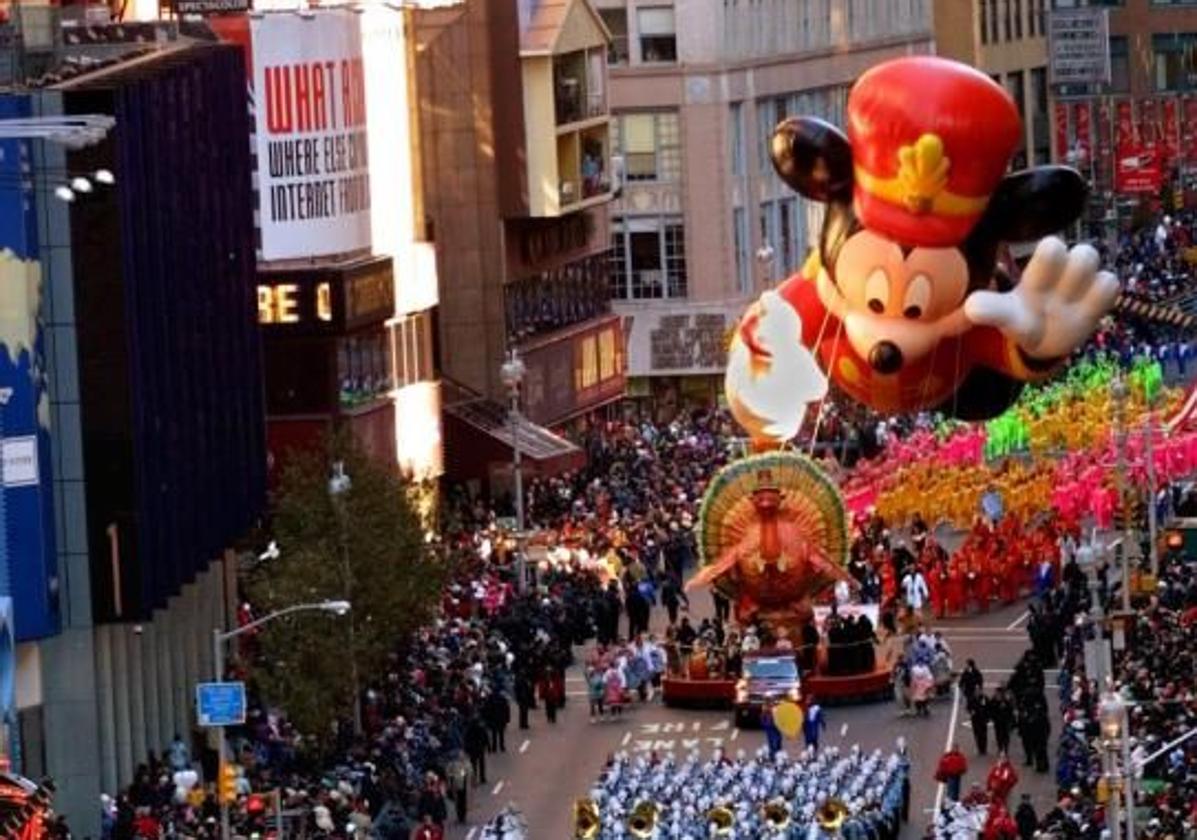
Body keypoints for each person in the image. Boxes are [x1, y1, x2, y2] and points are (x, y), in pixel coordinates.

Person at [444, 750, 470, 824]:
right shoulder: (454, 763)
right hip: (456, 785)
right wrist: (451, 777)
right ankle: (460, 816)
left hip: (463, 784)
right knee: (458, 801)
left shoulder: (465, 763)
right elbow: (448, 771)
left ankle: (463, 817)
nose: (461, 756)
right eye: (460, 755)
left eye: (462, 755)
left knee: (463, 801)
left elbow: (468, 771)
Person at [990, 687, 1016, 755]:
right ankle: (1000, 748)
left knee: (1006, 736)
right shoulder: (994, 700)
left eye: (998, 693)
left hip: (1006, 721)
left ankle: (1005, 749)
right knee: (998, 736)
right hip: (997, 721)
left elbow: (1011, 709)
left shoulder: (1007, 700)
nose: (996, 694)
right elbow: (991, 709)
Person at [482, 688, 510, 753]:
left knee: (494, 733)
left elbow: (486, 709)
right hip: (501, 718)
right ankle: (502, 746)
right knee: (501, 733)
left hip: (493, 719)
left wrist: (487, 719)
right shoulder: (503, 699)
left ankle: (494, 747)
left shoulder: (490, 699)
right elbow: (506, 709)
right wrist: (507, 719)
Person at [464, 714, 489, 785]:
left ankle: (474, 779)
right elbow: (485, 737)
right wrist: (487, 746)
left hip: (472, 749)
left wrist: (467, 749)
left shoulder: (468, 729)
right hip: (479, 748)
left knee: (473, 765)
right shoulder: (481, 728)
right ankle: (482, 778)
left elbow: (466, 740)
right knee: (481, 764)